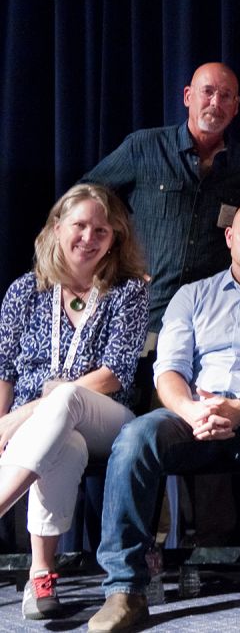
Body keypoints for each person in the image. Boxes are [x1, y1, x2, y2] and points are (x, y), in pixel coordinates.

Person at [88, 202, 240, 632]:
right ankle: (124, 588)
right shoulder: (191, 295)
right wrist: (193, 409)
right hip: (195, 412)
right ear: (230, 237)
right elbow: (169, 370)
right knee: (135, 436)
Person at [0, 184, 147, 620]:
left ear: (115, 238)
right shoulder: (25, 291)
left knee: (67, 398)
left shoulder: (127, 292)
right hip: (43, 432)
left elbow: (114, 373)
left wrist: (22, 415)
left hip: (106, 417)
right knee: (66, 447)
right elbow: (4, 368)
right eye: (80, 225)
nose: (89, 236)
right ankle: (41, 575)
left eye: (102, 229)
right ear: (57, 228)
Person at [82, 62, 240, 335]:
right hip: (144, 317)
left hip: (215, 322)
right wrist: (114, 259)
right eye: (208, 92)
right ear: (188, 96)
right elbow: (85, 200)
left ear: (236, 107)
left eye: (225, 96)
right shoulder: (144, 148)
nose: (215, 102)